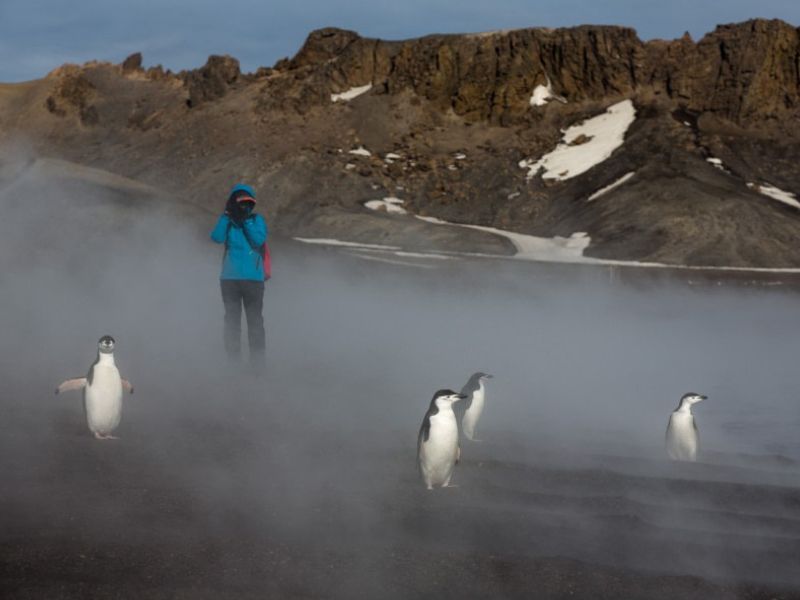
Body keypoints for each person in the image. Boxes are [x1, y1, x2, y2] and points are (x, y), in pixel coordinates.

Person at [210, 183, 268, 365]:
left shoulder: (257, 220)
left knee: (255, 322)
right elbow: (216, 237)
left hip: (253, 280)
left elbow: (259, 239)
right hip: (230, 280)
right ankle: (233, 362)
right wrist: (227, 216)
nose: (245, 207)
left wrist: (246, 220)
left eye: (248, 203)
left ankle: (257, 364)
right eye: (240, 203)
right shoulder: (228, 222)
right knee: (232, 322)